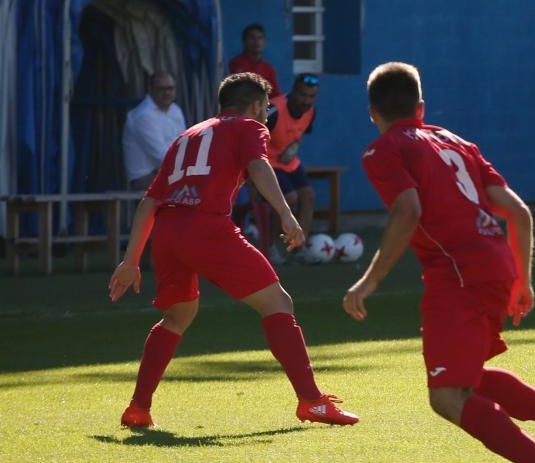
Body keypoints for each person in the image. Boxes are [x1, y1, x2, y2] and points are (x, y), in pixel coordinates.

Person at [343, 62, 535, 463]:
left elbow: (408, 211)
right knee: (470, 379)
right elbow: (518, 213)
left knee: (446, 395)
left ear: (372, 113)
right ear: (420, 107)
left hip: (457, 276)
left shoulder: (383, 151)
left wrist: (368, 281)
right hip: (495, 267)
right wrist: (523, 280)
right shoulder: (457, 143)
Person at [110, 72, 358, 429]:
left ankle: (138, 408)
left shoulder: (187, 135)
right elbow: (259, 165)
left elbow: (150, 201)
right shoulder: (250, 127)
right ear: (256, 105)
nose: (268, 114)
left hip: (167, 231)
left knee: (177, 318)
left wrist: (131, 259)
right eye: (266, 106)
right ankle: (312, 402)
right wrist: (286, 215)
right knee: (278, 303)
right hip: (206, 227)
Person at [257, 74, 320, 263]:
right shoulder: (273, 110)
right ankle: (270, 246)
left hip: (288, 162)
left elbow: (298, 133)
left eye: (311, 97)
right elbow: (250, 134)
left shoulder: (311, 112)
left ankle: (299, 246)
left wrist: (293, 149)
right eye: (302, 95)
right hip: (266, 162)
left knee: (308, 196)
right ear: (292, 93)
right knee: (290, 198)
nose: (306, 101)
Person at [122, 71, 186, 190]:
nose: (166, 93)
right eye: (161, 89)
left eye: (170, 88)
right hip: (145, 177)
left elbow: (183, 145)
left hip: (168, 173)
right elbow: (162, 157)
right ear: (151, 90)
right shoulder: (143, 116)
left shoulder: (176, 110)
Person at [229, 23, 281, 96]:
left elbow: (276, 96)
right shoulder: (236, 64)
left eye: (260, 38)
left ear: (264, 42)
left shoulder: (268, 69)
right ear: (244, 41)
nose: (256, 42)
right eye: (252, 38)